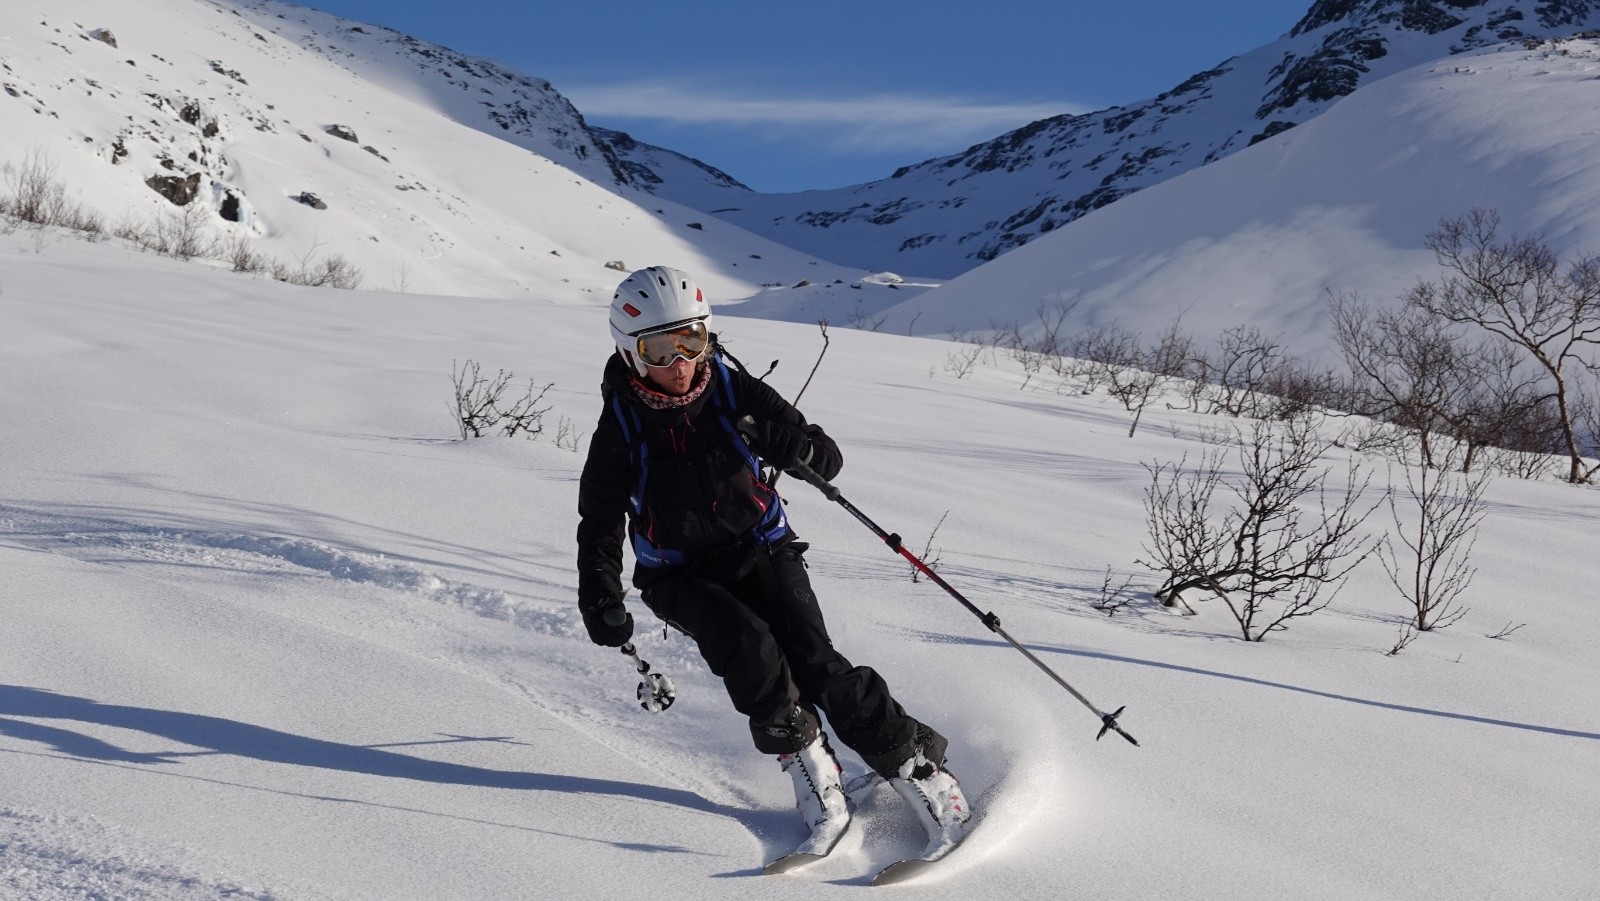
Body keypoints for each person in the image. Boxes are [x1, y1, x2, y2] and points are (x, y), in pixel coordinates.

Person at [575, 266, 970, 855]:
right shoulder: (621, 425)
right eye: (660, 349)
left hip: (762, 545)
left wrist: (792, 445)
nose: (680, 362)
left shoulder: (734, 390)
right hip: (679, 573)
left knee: (816, 662)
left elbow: (825, 458)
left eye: (692, 340)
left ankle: (920, 769)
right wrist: (600, 594)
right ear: (631, 352)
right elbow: (600, 522)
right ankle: (815, 773)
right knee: (752, 652)